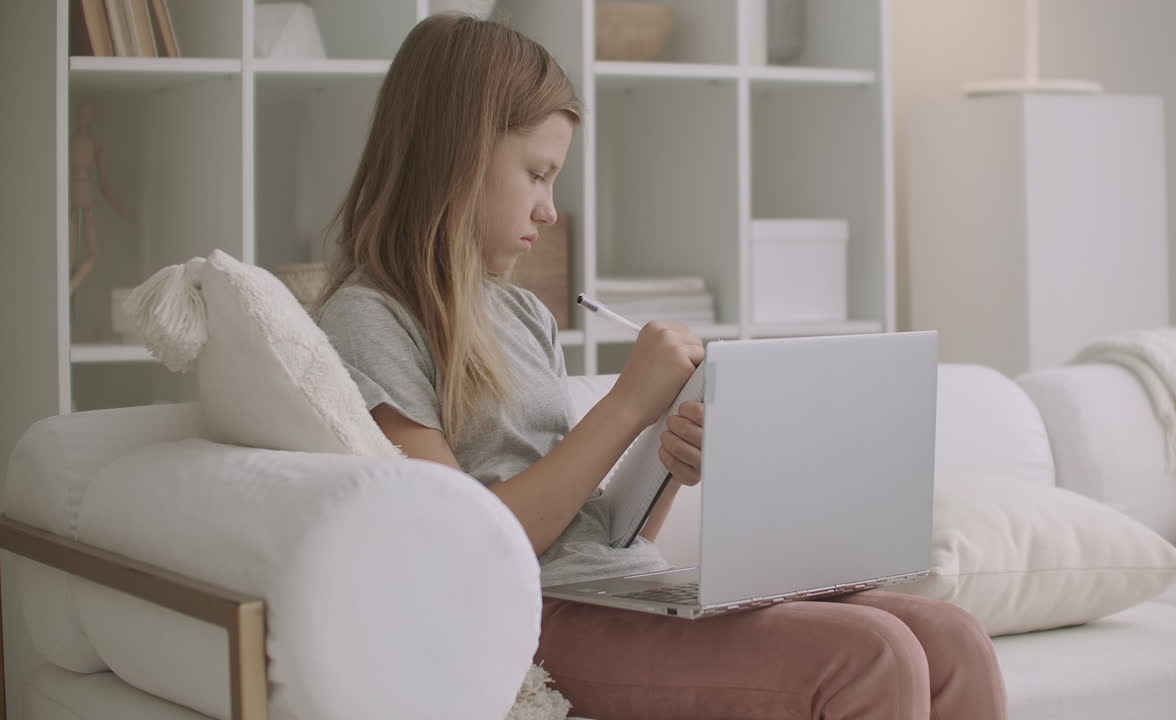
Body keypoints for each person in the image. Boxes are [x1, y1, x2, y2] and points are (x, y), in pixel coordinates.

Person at [316, 13, 1007, 720]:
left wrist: (664, 465)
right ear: (455, 155)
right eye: (537, 174)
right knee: (873, 654)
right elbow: (465, 547)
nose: (550, 211)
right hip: (529, 613)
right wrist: (625, 407)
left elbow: (603, 536)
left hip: (620, 586)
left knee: (953, 638)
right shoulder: (370, 321)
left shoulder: (523, 315)